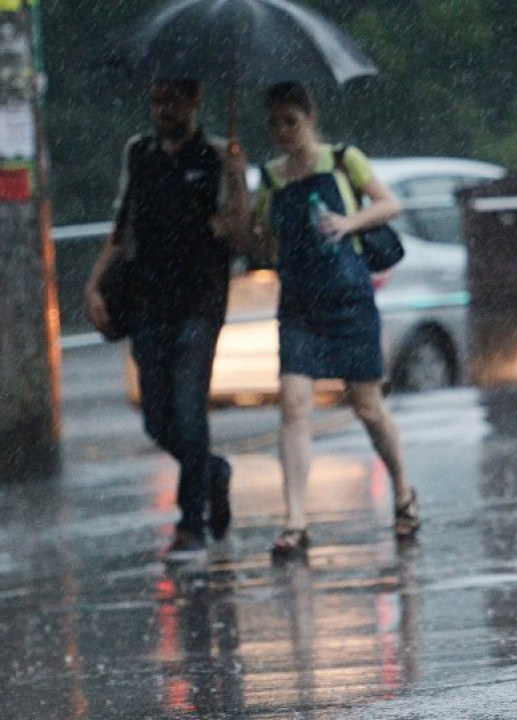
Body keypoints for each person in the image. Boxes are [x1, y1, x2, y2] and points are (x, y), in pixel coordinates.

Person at [250, 81, 419, 557]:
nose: (283, 132)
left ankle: (404, 492)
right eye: (275, 124)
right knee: (294, 405)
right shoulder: (269, 178)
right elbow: (261, 245)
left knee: (367, 406)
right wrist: (249, 221)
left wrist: (350, 223)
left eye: (291, 121)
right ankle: (295, 519)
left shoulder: (344, 159)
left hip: (349, 299)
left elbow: (389, 203)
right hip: (299, 305)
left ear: (310, 118)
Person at [84, 78, 250, 561]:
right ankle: (213, 473)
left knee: (189, 411)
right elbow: (123, 227)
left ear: (195, 100)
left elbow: (239, 236)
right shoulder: (139, 152)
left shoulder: (218, 156)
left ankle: (189, 523)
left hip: (200, 301)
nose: (162, 109)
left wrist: (237, 176)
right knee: (157, 419)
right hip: (147, 302)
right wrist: (95, 284)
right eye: (155, 100)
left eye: (172, 100)